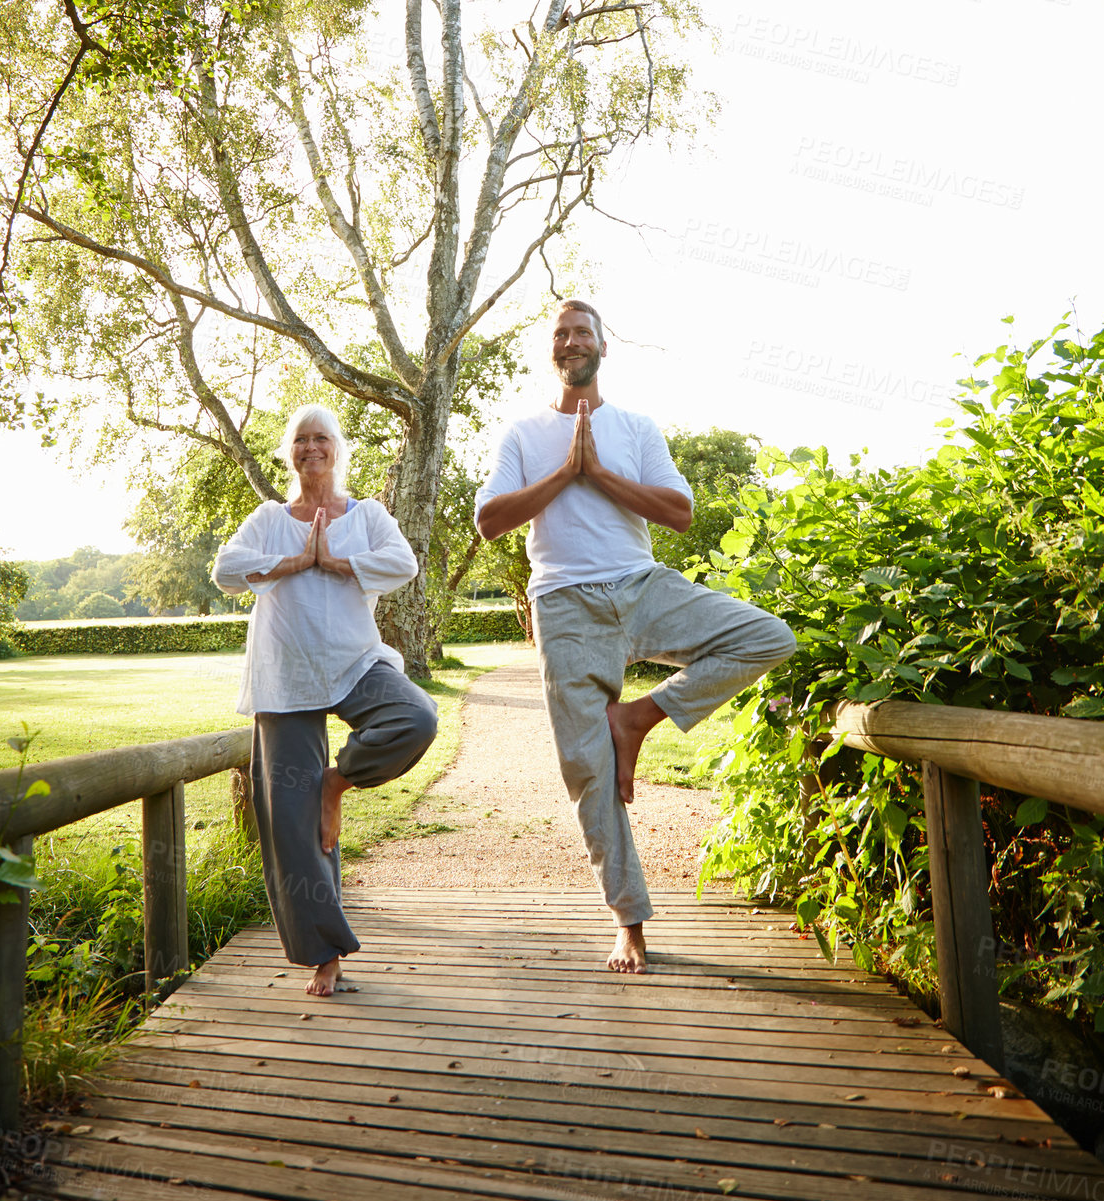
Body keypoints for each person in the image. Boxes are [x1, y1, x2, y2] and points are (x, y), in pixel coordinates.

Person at [475, 299, 796, 974]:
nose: (571, 341)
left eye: (582, 331)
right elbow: (490, 522)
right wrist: (565, 474)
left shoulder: (637, 428)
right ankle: (630, 922)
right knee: (588, 775)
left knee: (768, 637)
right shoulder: (523, 434)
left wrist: (601, 475)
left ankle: (638, 720)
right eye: (560, 333)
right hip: (564, 605)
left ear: (601, 347)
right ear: (552, 350)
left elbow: (679, 513)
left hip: (642, 587)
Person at [212, 404, 437, 997]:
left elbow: (403, 563)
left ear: (338, 448)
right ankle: (325, 955)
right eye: (300, 440)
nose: (311, 448)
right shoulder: (267, 518)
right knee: (291, 822)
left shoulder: (367, 515)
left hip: (355, 661)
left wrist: (335, 561)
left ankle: (337, 782)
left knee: (415, 717)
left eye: (322, 438)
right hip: (285, 675)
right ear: (290, 452)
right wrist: (293, 562)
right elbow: (226, 570)